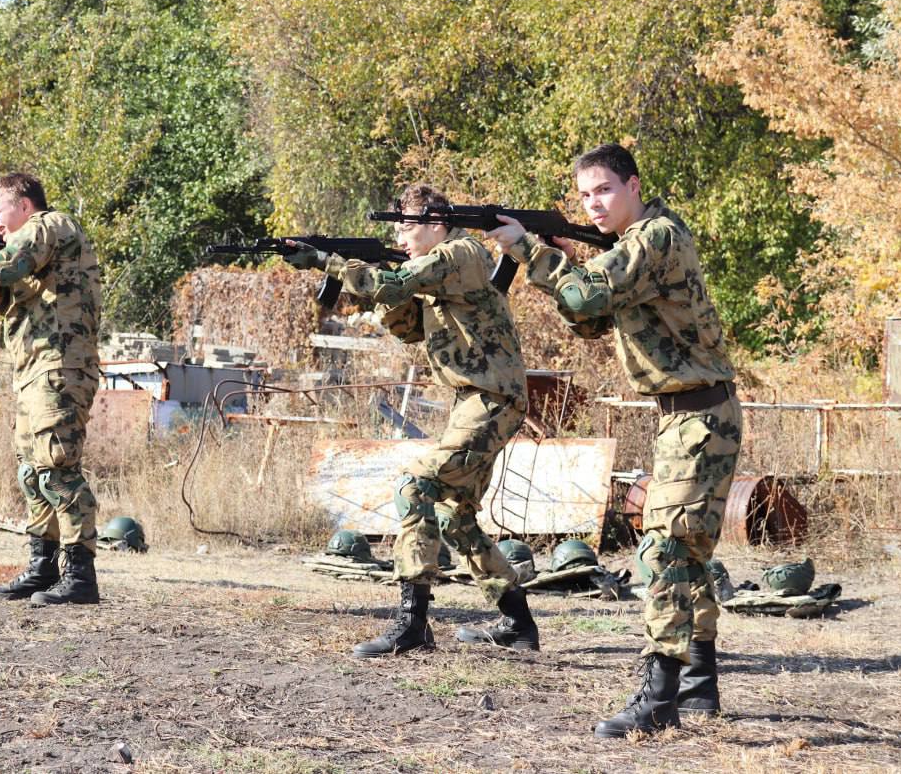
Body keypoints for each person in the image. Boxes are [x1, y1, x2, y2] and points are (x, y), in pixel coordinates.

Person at [485, 143, 741, 737]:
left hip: (700, 413)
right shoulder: (634, 245)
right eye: (582, 196)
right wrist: (564, 260)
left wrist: (527, 249)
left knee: (665, 551)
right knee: (689, 551)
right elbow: (590, 321)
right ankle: (698, 685)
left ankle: (658, 696)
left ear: (632, 185)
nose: (592, 203)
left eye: (602, 190)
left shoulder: (655, 237)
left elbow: (582, 297)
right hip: (687, 413)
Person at [286, 183, 539, 657]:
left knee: (415, 486)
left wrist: (329, 261)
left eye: (406, 225)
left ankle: (413, 623)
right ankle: (518, 623)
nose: (400, 236)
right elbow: (407, 328)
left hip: (491, 399)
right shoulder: (433, 276)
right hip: (474, 401)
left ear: (436, 224)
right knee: (454, 518)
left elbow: (395, 284)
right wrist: (380, 278)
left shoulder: (460, 253)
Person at [0, 172, 103, 606]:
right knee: (32, 473)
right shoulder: (33, 245)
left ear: (24, 205)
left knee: (58, 469)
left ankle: (80, 576)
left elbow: (7, 267)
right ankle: (42, 568)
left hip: (60, 366)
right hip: (34, 370)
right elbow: (2, 298)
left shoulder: (49, 226)